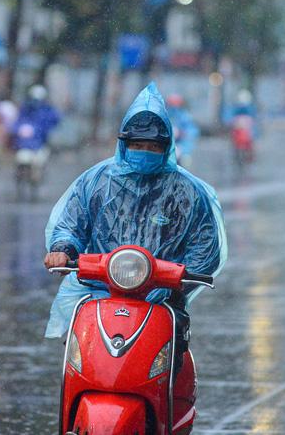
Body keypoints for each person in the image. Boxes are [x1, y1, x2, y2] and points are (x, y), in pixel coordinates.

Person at [43, 82, 227, 365]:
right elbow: (72, 224)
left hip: (162, 297)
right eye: (137, 145)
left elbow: (205, 247)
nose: (144, 151)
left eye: (152, 146)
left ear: (166, 148)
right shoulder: (97, 182)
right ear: (124, 144)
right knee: (77, 361)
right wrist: (63, 249)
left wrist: (175, 282)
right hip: (100, 292)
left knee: (169, 359)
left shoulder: (187, 191)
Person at [10, 84, 61, 151]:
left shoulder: (48, 112)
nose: (35, 102)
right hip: (23, 145)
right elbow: (16, 124)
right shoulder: (25, 109)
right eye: (33, 99)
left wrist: (35, 130)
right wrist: (20, 129)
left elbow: (49, 126)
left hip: (40, 145)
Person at [166, 94, 200, 168]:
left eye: (175, 103)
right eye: (172, 103)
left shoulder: (185, 116)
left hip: (181, 149)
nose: (174, 106)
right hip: (166, 149)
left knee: (184, 165)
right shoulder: (165, 115)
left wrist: (180, 133)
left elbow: (192, 132)